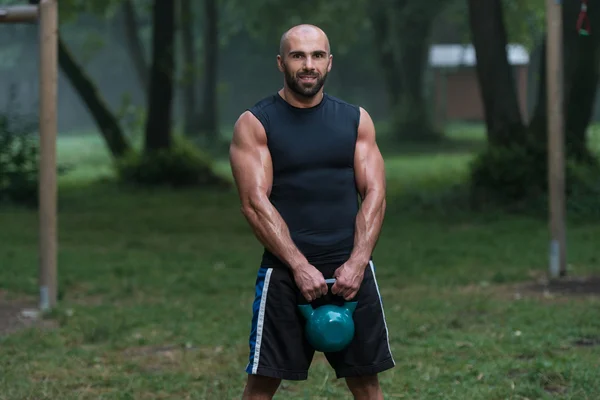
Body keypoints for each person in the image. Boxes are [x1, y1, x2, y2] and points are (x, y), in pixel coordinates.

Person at [229, 23, 394, 400]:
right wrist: (300, 266)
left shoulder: (355, 120)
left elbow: (375, 193)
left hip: (351, 268)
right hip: (286, 273)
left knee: (367, 383)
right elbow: (255, 203)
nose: (308, 64)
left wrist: (357, 262)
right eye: (298, 55)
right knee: (262, 384)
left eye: (317, 55)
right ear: (280, 62)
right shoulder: (256, 124)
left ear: (329, 62)